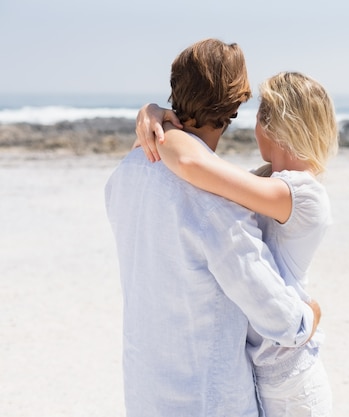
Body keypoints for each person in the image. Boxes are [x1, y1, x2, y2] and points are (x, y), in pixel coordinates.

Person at [105, 38, 321, 417]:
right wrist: (310, 314)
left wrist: (154, 112)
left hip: (143, 390)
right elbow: (280, 319)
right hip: (207, 397)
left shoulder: (126, 172)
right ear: (234, 108)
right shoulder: (219, 208)